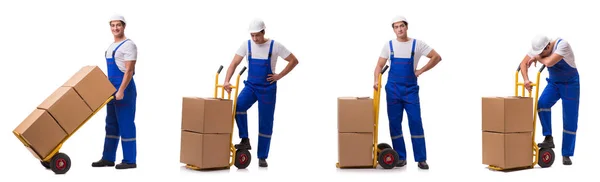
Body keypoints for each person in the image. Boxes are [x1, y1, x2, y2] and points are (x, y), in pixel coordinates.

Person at [223, 18, 299, 167]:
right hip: (251, 86)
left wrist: (279, 75)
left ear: (263, 32)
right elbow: (234, 63)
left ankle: (262, 156)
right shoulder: (247, 45)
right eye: (252, 35)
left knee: (266, 121)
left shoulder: (275, 45)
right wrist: (226, 80)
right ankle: (245, 139)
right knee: (238, 106)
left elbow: (293, 60)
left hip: (268, 89)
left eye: (257, 35)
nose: (255, 38)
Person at [373, 15, 442, 170]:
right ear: (393, 29)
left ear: (406, 27)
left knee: (415, 122)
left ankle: (421, 159)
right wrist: (376, 80)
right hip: (393, 91)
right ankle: (400, 157)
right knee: (395, 124)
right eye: (396, 27)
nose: (399, 29)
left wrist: (420, 71)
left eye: (401, 26)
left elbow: (436, 57)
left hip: (410, 91)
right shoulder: (388, 45)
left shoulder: (417, 44)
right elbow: (378, 66)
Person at [520, 35, 580, 165]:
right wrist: (525, 79)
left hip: (570, 84)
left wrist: (537, 58)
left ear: (548, 46)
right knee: (542, 103)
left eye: (541, 53)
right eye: (538, 53)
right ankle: (548, 137)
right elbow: (523, 63)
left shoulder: (562, 45)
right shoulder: (539, 47)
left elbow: (549, 62)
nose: (539, 55)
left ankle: (566, 154)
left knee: (570, 118)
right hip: (554, 83)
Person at [91, 14, 138, 169]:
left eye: (118, 25)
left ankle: (130, 161)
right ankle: (108, 158)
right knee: (111, 124)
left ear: (124, 26)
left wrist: (121, 90)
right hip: (111, 91)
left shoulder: (129, 45)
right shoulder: (111, 46)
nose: (115, 28)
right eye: (113, 25)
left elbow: (129, 70)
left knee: (125, 124)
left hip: (124, 90)